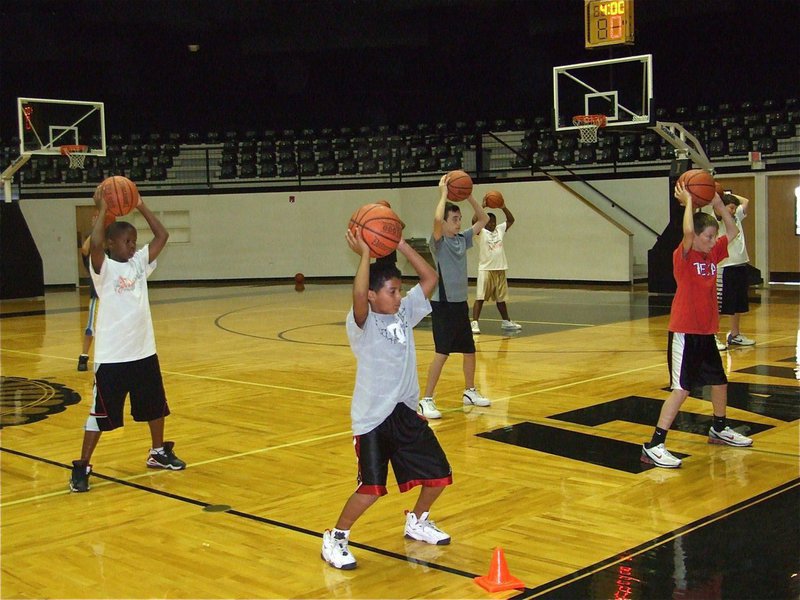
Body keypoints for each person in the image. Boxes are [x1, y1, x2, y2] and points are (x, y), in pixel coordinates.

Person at [321, 229, 451, 570]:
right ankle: (335, 537)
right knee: (371, 489)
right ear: (372, 296)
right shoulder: (362, 322)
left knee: (439, 474)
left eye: (398, 291)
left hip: (405, 413)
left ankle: (417, 520)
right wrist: (365, 254)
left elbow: (430, 277)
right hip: (373, 419)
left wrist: (401, 244)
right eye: (391, 292)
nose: (397, 296)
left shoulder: (405, 312)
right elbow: (358, 294)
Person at [69, 186, 185, 493]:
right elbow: (94, 244)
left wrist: (141, 205)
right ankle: (82, 465)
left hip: (144, 352)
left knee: (155, 406)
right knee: (100, 414)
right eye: (126, 241)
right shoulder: (103, 269)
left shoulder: (138, 263)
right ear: (110, 243)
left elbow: (162, 237)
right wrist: (104, 210)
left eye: (134, 241)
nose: (132, 246)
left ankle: (157, 452)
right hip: (112, 358)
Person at [641, 182, 753, 469]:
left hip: (706, 333)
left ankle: (718, 428)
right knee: (681, 389)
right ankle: (654, 444)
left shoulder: (713, 254)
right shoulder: (685, 256)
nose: (713, 240)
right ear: (698, 237)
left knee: (720, 382)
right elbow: (688, 232)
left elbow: (734, 231)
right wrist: (689, 202)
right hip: (685, 331)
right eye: (709, 236)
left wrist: (717, 204)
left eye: (714, 236)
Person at [418, 174, 491, 420]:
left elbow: (484, 218)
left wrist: (468, 194)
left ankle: (469, 390)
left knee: (469, 350)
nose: (458, 223)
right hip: (443, 304)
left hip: (460, 304)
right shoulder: (438, 243)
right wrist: (444, 195)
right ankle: (426, 399)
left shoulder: (463, 239)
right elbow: (437, 219)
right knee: (442, 352)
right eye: (455, 219)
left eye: (460, 219)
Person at [470, 201, 522, 334]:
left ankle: (506, 321)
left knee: (501, 299)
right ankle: (474, 322)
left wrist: (503, 206)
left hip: (500, 268)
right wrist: (482, 207)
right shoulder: (480, 233)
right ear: (485, 222)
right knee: (480, 298)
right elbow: (474, 220)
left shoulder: (499, 230)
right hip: (485, 269)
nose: (492, 224)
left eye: (494, 222)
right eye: (489, 222)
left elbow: (511, 220)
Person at [715, 191, 755, 350]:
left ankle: (735, 334)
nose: (732, 210)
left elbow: (746, 200)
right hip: (725, 267)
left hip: (740, 264)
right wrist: (719, 199)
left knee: (738, 303)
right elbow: (720, 208)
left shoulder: (736, 215)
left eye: (733, 208)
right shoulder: (718, 218)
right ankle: (713, 335)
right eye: (730, 208)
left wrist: (727, 194)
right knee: (720, 304)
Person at [77, 230, 99, 372]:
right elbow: (84, 249)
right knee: (91, 328)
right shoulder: (92, 258)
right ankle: (84, 356)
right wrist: (95, 231)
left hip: (114, 298)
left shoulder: (112, 255)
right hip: (98, 298)